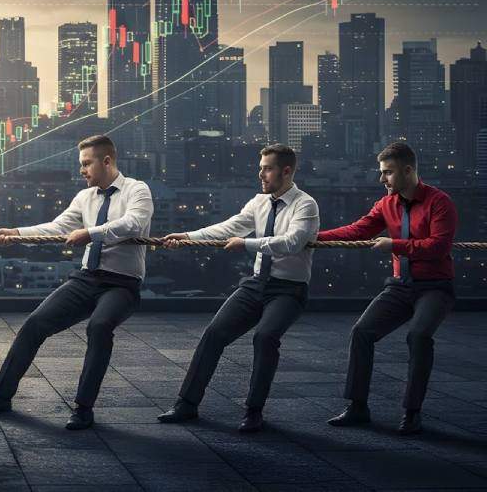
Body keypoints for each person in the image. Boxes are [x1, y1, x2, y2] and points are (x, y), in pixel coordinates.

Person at [0, 135, 153, 430]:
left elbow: (133, 223)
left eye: (86, 163)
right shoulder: (85, 197)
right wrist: (17, 232)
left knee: (99, 327)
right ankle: (0, 397)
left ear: (106, 161)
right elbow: (57, 227)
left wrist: (91, 233)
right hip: (86, 278)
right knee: (34, 324)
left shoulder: (137, 190)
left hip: (122, 284)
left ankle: (83, 409)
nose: (81, 170)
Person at [157, 144, 319, 432]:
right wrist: (188, 235)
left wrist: (248, 244)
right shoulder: (259, 202)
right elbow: (229, 227)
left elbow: (291, 243)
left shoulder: (305, 205)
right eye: (261, 167)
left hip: (288, 289)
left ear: (286, 171)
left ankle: (253, 411)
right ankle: (186, 404)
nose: (261, 174)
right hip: (256, 283)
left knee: (265, 337)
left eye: (267, 168)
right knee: (214, 334)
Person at [321, 142, 457, 435]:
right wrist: (312, 237)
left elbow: (438, 246)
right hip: (400, 286)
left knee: (418, 336)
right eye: (381, 172)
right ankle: (357, 408)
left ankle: (412, 412)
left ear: (408, 171)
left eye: (388, 173)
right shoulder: (386, 204)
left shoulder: (439, 202)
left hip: (435, 287)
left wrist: (393, 245)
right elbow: (357, 230)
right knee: (361, 333)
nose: (382, 179)